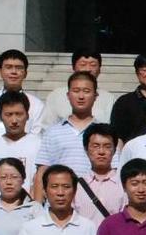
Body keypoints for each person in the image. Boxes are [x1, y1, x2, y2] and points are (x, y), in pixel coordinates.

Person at [32, 71, 100, 199]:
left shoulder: (103, 133)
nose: (81, 96)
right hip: (59, 200)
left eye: (86, 91)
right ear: (68, 95)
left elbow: (113, 170)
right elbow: (42, 171)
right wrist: (37, 205)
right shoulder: (52, 132)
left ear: (95, 96)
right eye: (76, 91)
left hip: (93, 201)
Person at [0, 91, 41, 201]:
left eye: (19, 114)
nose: (14, 120)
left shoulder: (39, 146)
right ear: (0, 117)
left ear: (27, 116)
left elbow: (40, 182)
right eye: (9, 114)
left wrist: (33, 207)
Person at [37, 49, 114, 128]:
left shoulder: (108, 98)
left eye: (93, 65)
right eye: (83, 64)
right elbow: (47, 126)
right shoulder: (56, 95)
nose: (88, 69)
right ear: (73, 67)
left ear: (99, 69)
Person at [72, 124, 126, 225]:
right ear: (86, 149)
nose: (101, 152)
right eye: (96, 146)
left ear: (114, 150)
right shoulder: (76, 186)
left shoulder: (124, 185)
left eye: (107, 146)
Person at [0, 157, 42, 235]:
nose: (8, 182)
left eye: (14, 177)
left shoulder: (35, 209)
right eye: (3, 177)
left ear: (23, 179)